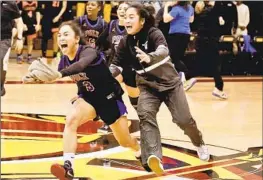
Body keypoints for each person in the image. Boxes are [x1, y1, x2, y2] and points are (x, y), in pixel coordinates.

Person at [23, 21, 140, 180]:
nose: (61, 38)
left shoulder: (89, 52)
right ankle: (68, 167)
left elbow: (81, 65)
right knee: (71, 120)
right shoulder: (64, 60)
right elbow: (56, 75)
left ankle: (140, 150)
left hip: (109, 99)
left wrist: (59, 75)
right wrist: (35, 79)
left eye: (66, 34)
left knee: (125, 141)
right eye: (59, 35)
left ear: (77, 39)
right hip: (88, 100)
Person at [110, 3, 210, 175]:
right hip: (147, 86)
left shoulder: (154, 33)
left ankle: (199, 142)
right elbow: (116, 65)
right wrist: (104, 75)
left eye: (131, 16)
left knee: (183, 120)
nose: (126, 20)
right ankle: (154, 157)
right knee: (145, 114)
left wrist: (150, 57)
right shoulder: (125, 42)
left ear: (142, 20)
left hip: (170, 84)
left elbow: (164, 51)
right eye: (125, 17)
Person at [97, 1, 140, 133]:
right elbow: (100, 43)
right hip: (115, 66)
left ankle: (145, 121)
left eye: (125, 9)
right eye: (120, 8)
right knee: (109, 91)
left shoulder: (134, 28)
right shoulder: (111, 25)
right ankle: (109, 121)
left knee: (135, 100)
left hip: (131, 67)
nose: (121, 10)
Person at [195, 1, 228, 99]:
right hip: (209, 42)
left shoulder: (202, 12)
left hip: (201, 42)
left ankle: (185, 78)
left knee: (207, 64)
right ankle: (218, 88)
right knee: (216, 63)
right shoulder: (211, 11)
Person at [163, 1, 197, 91]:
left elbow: (165, 19)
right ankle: (180, 81)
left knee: (174, 58)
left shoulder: (176, 9)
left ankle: (188, 77)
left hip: (175, 35)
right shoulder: (190, 8)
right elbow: (191, 20)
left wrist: (166, 6)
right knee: (178, 57)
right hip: (186, 34)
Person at [1, 1, 24, 96]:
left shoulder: (10, 4)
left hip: (4, 38)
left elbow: (19, 21)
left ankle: (0, 85)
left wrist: (19, 38)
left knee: (1, 60)